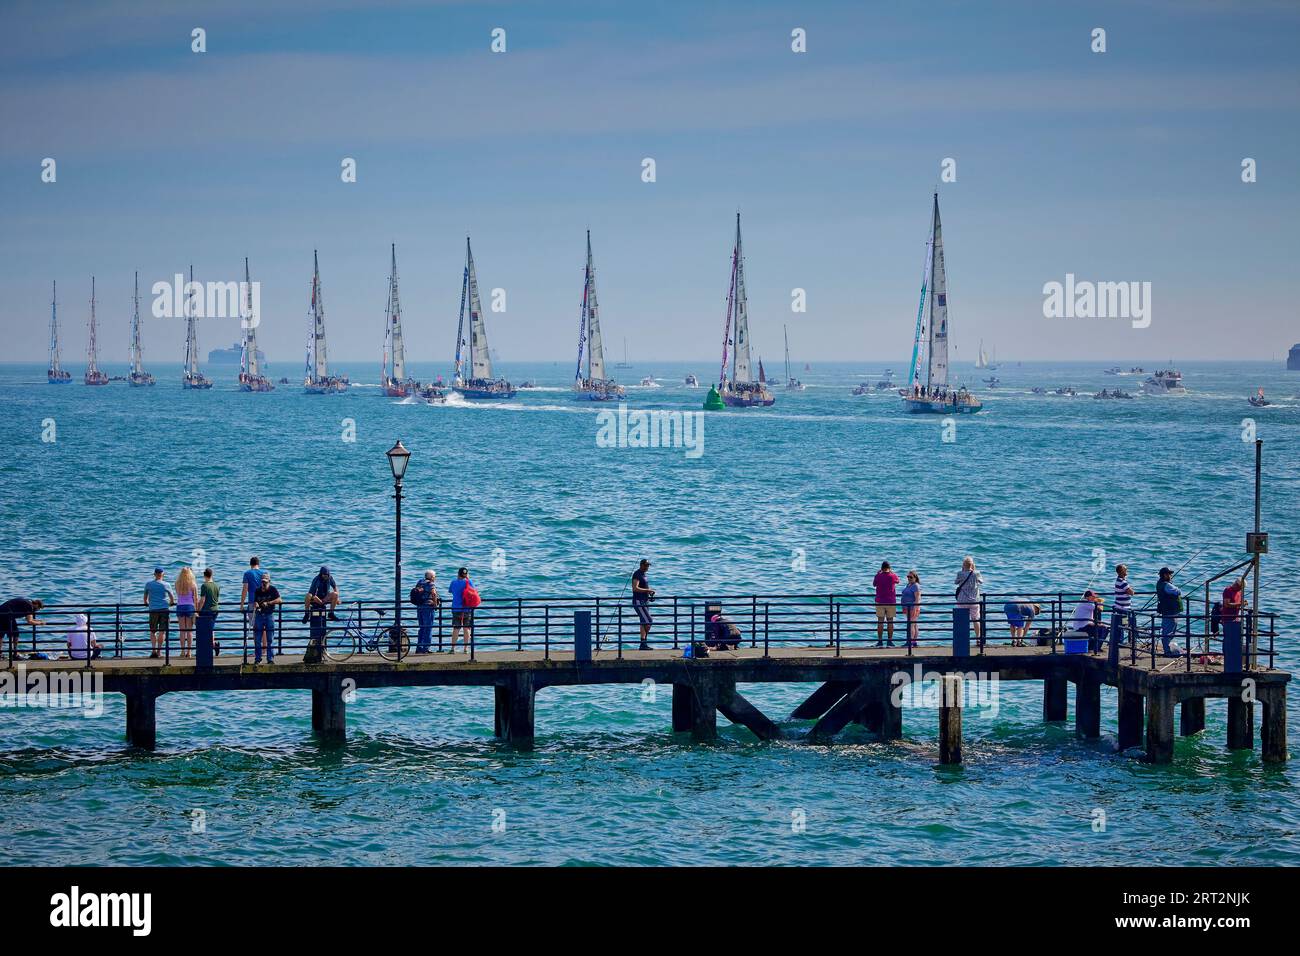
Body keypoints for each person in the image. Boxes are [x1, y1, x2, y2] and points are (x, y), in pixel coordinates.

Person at [143, 567, 175, 659]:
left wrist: (146, 603)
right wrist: (171, 603)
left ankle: (153, 650)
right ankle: (159, 652)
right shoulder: (166, 584)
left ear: (154, 574)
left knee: (153, 631)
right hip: (164, 609)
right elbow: (172, 597)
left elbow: (145, 597)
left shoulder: (149, 584)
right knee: (162, 631)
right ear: (163, 575)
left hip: (153, 609)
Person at [252, 572, 281, 664]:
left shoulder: (273, 590)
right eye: (262, 582)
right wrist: (256, 604)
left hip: (269, 615)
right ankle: (258, 658)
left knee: (270, 639)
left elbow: (280, 600)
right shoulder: (257, 590)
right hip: (259, 616)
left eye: (265, 582)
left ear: (269, 581)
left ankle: (270, 659)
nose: (263, 584)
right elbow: (255, 601)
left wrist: (269, 603)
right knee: (257, 639)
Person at [1155, 567, 1183, 657]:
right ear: (1165, 575)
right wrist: (1176, 587)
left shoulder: (1161, 584)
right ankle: (1167, 651)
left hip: (1167, 611)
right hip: (1170, 611)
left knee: (1169, 631)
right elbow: (1178, 591)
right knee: (1168, 631)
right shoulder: (1167, 585)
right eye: (1169, 574)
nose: (1171, 575)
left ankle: (1168, 649)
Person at [955, 556, 984, 640]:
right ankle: (978, 638)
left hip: (962, 600)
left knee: (962, 620)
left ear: (963, 564)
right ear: (972, 565)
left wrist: (962, 570)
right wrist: (974, 570)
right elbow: (981, 581)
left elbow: (956, 582)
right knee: (975, 620)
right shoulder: (976, 573)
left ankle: (962, 639)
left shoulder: (960, 573)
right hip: (974, 601)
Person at [872, 561, 900, 647]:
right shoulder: (892, 576)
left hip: (880, 601)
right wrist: (892, 572)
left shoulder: (878, 576)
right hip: (890, 601)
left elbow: (874, 584)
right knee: (890, 622)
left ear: (881, 568)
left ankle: (880, 641)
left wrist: (878, 574)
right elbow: (898, 581)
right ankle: (889, 641)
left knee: (880, 622)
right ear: (889, 568)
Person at [448, 567, 475, 654]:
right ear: (466, 575)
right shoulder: (469, 582)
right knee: (466, 628)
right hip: (466, 608)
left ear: (458, 574)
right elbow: (473, 592)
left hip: (456, 608)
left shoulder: (454, 582)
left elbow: (451, 591)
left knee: (456, 628)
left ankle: (452, 649)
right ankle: (466, 649)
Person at [174, 567, 199, 658]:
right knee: (189, 630)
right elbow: (196, 598)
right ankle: (189, 652)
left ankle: (182, 651)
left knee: (182, 631)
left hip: (180, 606)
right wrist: (196, 610)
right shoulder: (193, 584)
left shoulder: (177, 583)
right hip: (190, 607)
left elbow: (178, 595)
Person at [631, 559, 655, 651]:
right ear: (641, 565)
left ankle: (643, 644)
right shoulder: (637, 574)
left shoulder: (644, 575)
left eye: (648, 565)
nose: (647, 567)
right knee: (648, 620)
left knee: (643, 622)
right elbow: (635, 588)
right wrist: (648, 590)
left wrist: (649, 593)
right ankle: (643, 642)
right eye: (645, 565)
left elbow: (644, 587)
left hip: (645, 601)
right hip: (638, 601)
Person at [1112, 563, 1137, 649]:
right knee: (1125, 624)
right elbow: (1131, 592)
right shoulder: (1123, 582)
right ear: (1122, 571)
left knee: (1123, 624)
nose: (1127, 571)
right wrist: (1131, 590)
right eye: (1125, 570)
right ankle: (1122, 642)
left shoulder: (1118, 580)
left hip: (1120, 607)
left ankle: (1122, 641)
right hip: (1123, 608)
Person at [197, 567, 220, 657]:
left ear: (204, 575)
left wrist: (198, 611)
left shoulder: (204, 586)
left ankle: (209, 648)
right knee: (211, 629)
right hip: (215, 610)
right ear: (212, 575)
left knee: (204, 630)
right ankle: (213, 645)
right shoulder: (217, 585)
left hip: (206, 610)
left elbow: (202, 600)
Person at [414, 570, 439, 654]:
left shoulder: (420, 582)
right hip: (428, 607)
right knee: (428, 627)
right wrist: (435, 604)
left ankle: (419, 647)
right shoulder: (431, 584)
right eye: (434, 577)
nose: (435, 578)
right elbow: (434, 594)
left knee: (421, 628)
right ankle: (426, 648)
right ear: (432, 577)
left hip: (419, 606)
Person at [240, 557, 264, 631]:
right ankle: (265, 643)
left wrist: (242, 605)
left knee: (254, 627)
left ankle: (256, 643)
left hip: (252, 602)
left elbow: (245, 589)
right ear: (258, 564)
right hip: (264, 602)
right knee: (263, 627)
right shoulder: (264, 573)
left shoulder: (247, 573)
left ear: (250, 564)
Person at [900, 571, 921, 647]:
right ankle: (914, 641)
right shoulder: (909, 585)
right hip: (907, 607)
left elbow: (917, 598)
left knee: (911, 625)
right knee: (914, 624)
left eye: (911, 577)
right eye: (908, 577)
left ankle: (910, 642)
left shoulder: (916, 586)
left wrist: (915, 607)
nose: (909, 578)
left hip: (912, 608)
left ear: (915, 578)